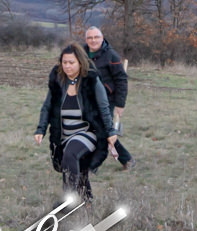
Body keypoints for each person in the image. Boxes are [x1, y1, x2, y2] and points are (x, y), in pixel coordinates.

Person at [34, 43, 117, 203]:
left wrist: (110, 131)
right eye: (64, 62)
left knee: (70, 154)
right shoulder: (58, 82)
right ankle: (87, 202)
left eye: (71, 62)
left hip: (88, 132)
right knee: (78, 167)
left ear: (80, 62)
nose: (67, 66)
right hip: (64, 135)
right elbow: (47, 106)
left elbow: (104, 107)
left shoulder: (91, 81)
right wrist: (40, 129)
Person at [83, 26, 134, 170]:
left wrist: (120, 104)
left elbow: (121, 80)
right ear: (86, 40)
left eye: (96, 37)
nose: (93, 40)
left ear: (102, 38)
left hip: (106, 100)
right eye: (90, 38)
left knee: (103, 131)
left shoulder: (111, 56)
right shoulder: (81, 54)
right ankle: (126, 159)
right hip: (87, 99)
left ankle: (93, 165)